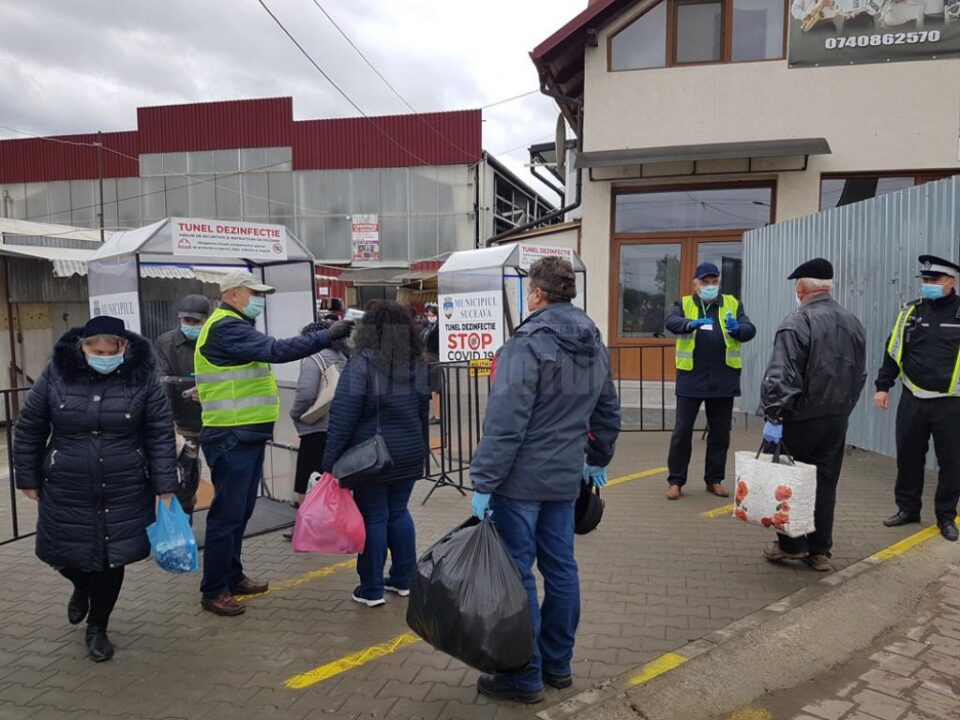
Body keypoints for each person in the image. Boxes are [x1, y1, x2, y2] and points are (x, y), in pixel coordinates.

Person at [469, 257, 621, 704]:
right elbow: (608, 409)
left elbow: (505, 422)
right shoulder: (594, 341)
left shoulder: (526, 343)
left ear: (535, 294)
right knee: (561, 570)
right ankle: (557, 664)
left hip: (519, 483)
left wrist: (484, 480)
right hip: (564, 479)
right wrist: (596, 457)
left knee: (518, 577)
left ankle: (523, 675)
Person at [13, 316, 178, 662]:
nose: (103, 355)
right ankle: (81, 585)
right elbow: (30, 425)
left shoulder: (142, 377)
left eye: (110, 350)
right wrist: (27, 476)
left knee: (110, 558)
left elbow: (159, 432)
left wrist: (165, 484)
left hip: (124, 484)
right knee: (58, 552)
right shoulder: (57, 373)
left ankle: (98, 628)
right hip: (67, 482)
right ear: (82, 347)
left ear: (123, 347)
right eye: (95, 350)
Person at [195, 271, 354, 617]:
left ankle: (232, 576)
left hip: (244, 433)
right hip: (232, 434)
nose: (260, 299)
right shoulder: (227, 326)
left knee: (241, 511)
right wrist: (326, 336)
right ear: (235, 294)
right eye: (255, 293)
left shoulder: (235, 325)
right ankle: (214, 589)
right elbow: (276, 351)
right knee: (227, 515)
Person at [758, 258, 867, 572]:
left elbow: (782, 374)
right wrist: (844, 408)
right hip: (836, 418)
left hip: (799, 417)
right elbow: (859, 373)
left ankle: (791, 544)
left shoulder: (797, 322)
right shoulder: (852, 321)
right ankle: (819, 550)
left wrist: (774, 416)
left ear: (802, 288)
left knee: (790, 481)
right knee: (825, 481)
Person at [322, 301, 430, 607]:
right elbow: (424, 412)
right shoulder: (418, 363)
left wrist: (329, 464)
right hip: (408, 452)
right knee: (398, 512)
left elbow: (343, 418)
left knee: (374, 518)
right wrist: (419, 450)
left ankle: (371, 589)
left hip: (371, 457)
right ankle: (404, 579)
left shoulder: (360, 365)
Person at [875, 255, 960, 542]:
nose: (928, 285)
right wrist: (883, 386)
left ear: (951, 282)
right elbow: (894, 348)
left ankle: (946, 517)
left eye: (934, 281)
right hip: (913, 397)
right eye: (925, 280)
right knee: (909, 458)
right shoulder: (911, 311)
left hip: (951, 403)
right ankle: (908, 509)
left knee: (952, 463)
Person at [664, 262, 756, 500]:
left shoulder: (732, 303)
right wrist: (688, 324)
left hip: (723, 379)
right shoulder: (684, 304)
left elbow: (749, 328)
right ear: (696, 285)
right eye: (705, 282)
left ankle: (714, 480)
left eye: (714, 282)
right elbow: (670, 322)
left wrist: (739, 330)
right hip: (691, 379)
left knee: (720, 434)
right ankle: (676, 482)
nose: (710, 286)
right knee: (682, 433)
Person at [154, 294, 211, 515]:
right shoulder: (166, 342)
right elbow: (163, 380)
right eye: (186, 320)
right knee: (184, 480)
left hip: (216, 420)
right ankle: (182, 529)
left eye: (195, 321)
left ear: (206, 320)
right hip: (183, 422)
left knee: (223, 475)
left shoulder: (214, 341)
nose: (189, 325)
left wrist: (209, 391)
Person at [289, 319, 349, 506]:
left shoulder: (313, 358)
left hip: (316, 428)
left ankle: (309, 528)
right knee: (331, 480)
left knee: (308, 482)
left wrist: (296, 414)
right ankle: (332, 524)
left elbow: (306, 393)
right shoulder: (344, 357)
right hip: (340, 427)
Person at [421, 303, 442, 423]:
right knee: (433, 390)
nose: (430, 317)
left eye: (432, 315)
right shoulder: (428, 327)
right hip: (430, 359)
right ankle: (436, 414)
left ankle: (438, 415)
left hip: (435, 359)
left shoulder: (437, 328)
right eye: (428, 315)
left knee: (435, 389)